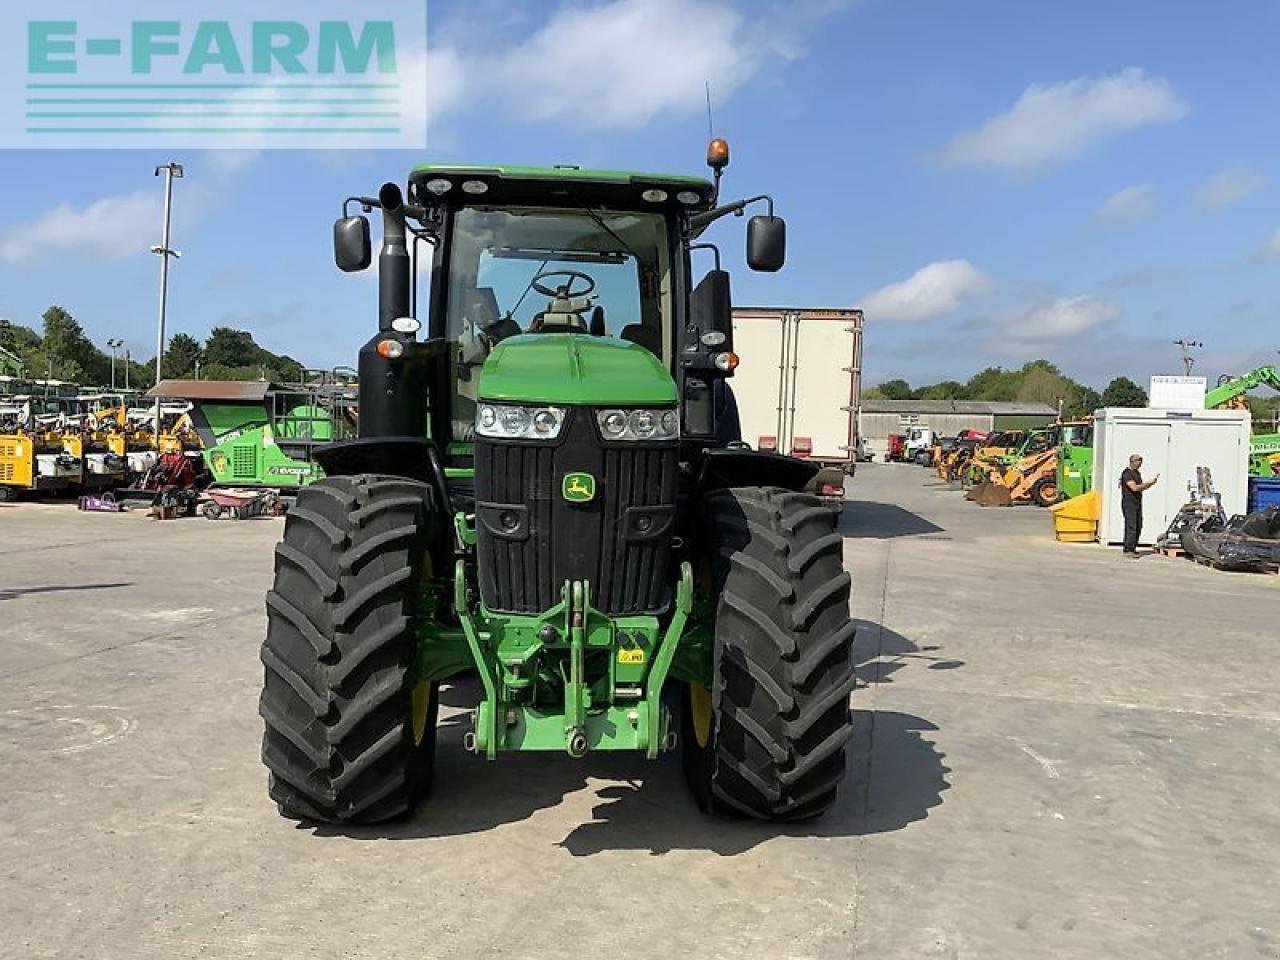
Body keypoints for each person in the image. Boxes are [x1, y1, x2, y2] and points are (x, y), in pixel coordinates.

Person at [1120, 454, 1159, 557]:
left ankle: (1133, 547)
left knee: (1138, 525)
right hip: (1129, 503)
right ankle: (1128, 549)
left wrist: (1149, 484)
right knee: (1131, 525)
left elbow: (1140, 487)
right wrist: (1148, 484)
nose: (1140, 464)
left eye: (1141, 462)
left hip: (1137, 502)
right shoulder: (1127, 473)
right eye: (1138, 461)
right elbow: (1134, 488)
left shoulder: (1137, 473)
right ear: (1132, 461)